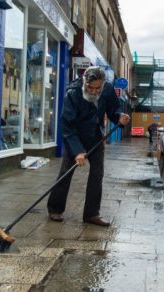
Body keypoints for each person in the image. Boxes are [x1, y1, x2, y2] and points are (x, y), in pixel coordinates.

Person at [47, 66, 130, 226]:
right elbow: (67, 125)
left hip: (95, 136)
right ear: (84, 81)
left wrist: (120, 117)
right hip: (75, 136)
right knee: (66, 172)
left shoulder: (107, 90)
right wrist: (77, 151)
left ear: (103, 85)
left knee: (97, 174)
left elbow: (114, 110)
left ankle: (92, 214)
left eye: (97, 88)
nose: (93, 91)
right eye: (89, 87)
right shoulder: (72, 92)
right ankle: (55, 209)